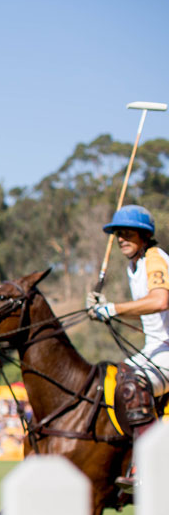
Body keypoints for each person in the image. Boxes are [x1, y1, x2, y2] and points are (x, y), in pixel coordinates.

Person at [87, 204, 169, 492]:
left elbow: (160, 301)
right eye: (118, 234)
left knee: (133, 381)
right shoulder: (133, 266)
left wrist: (114, 307)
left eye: (128, 233)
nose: (121, 238)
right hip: (156, 349)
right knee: (112, 378)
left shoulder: (155, 259)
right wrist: (104, 309)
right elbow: (142, 310)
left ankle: (146, 463)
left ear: (144, 236)